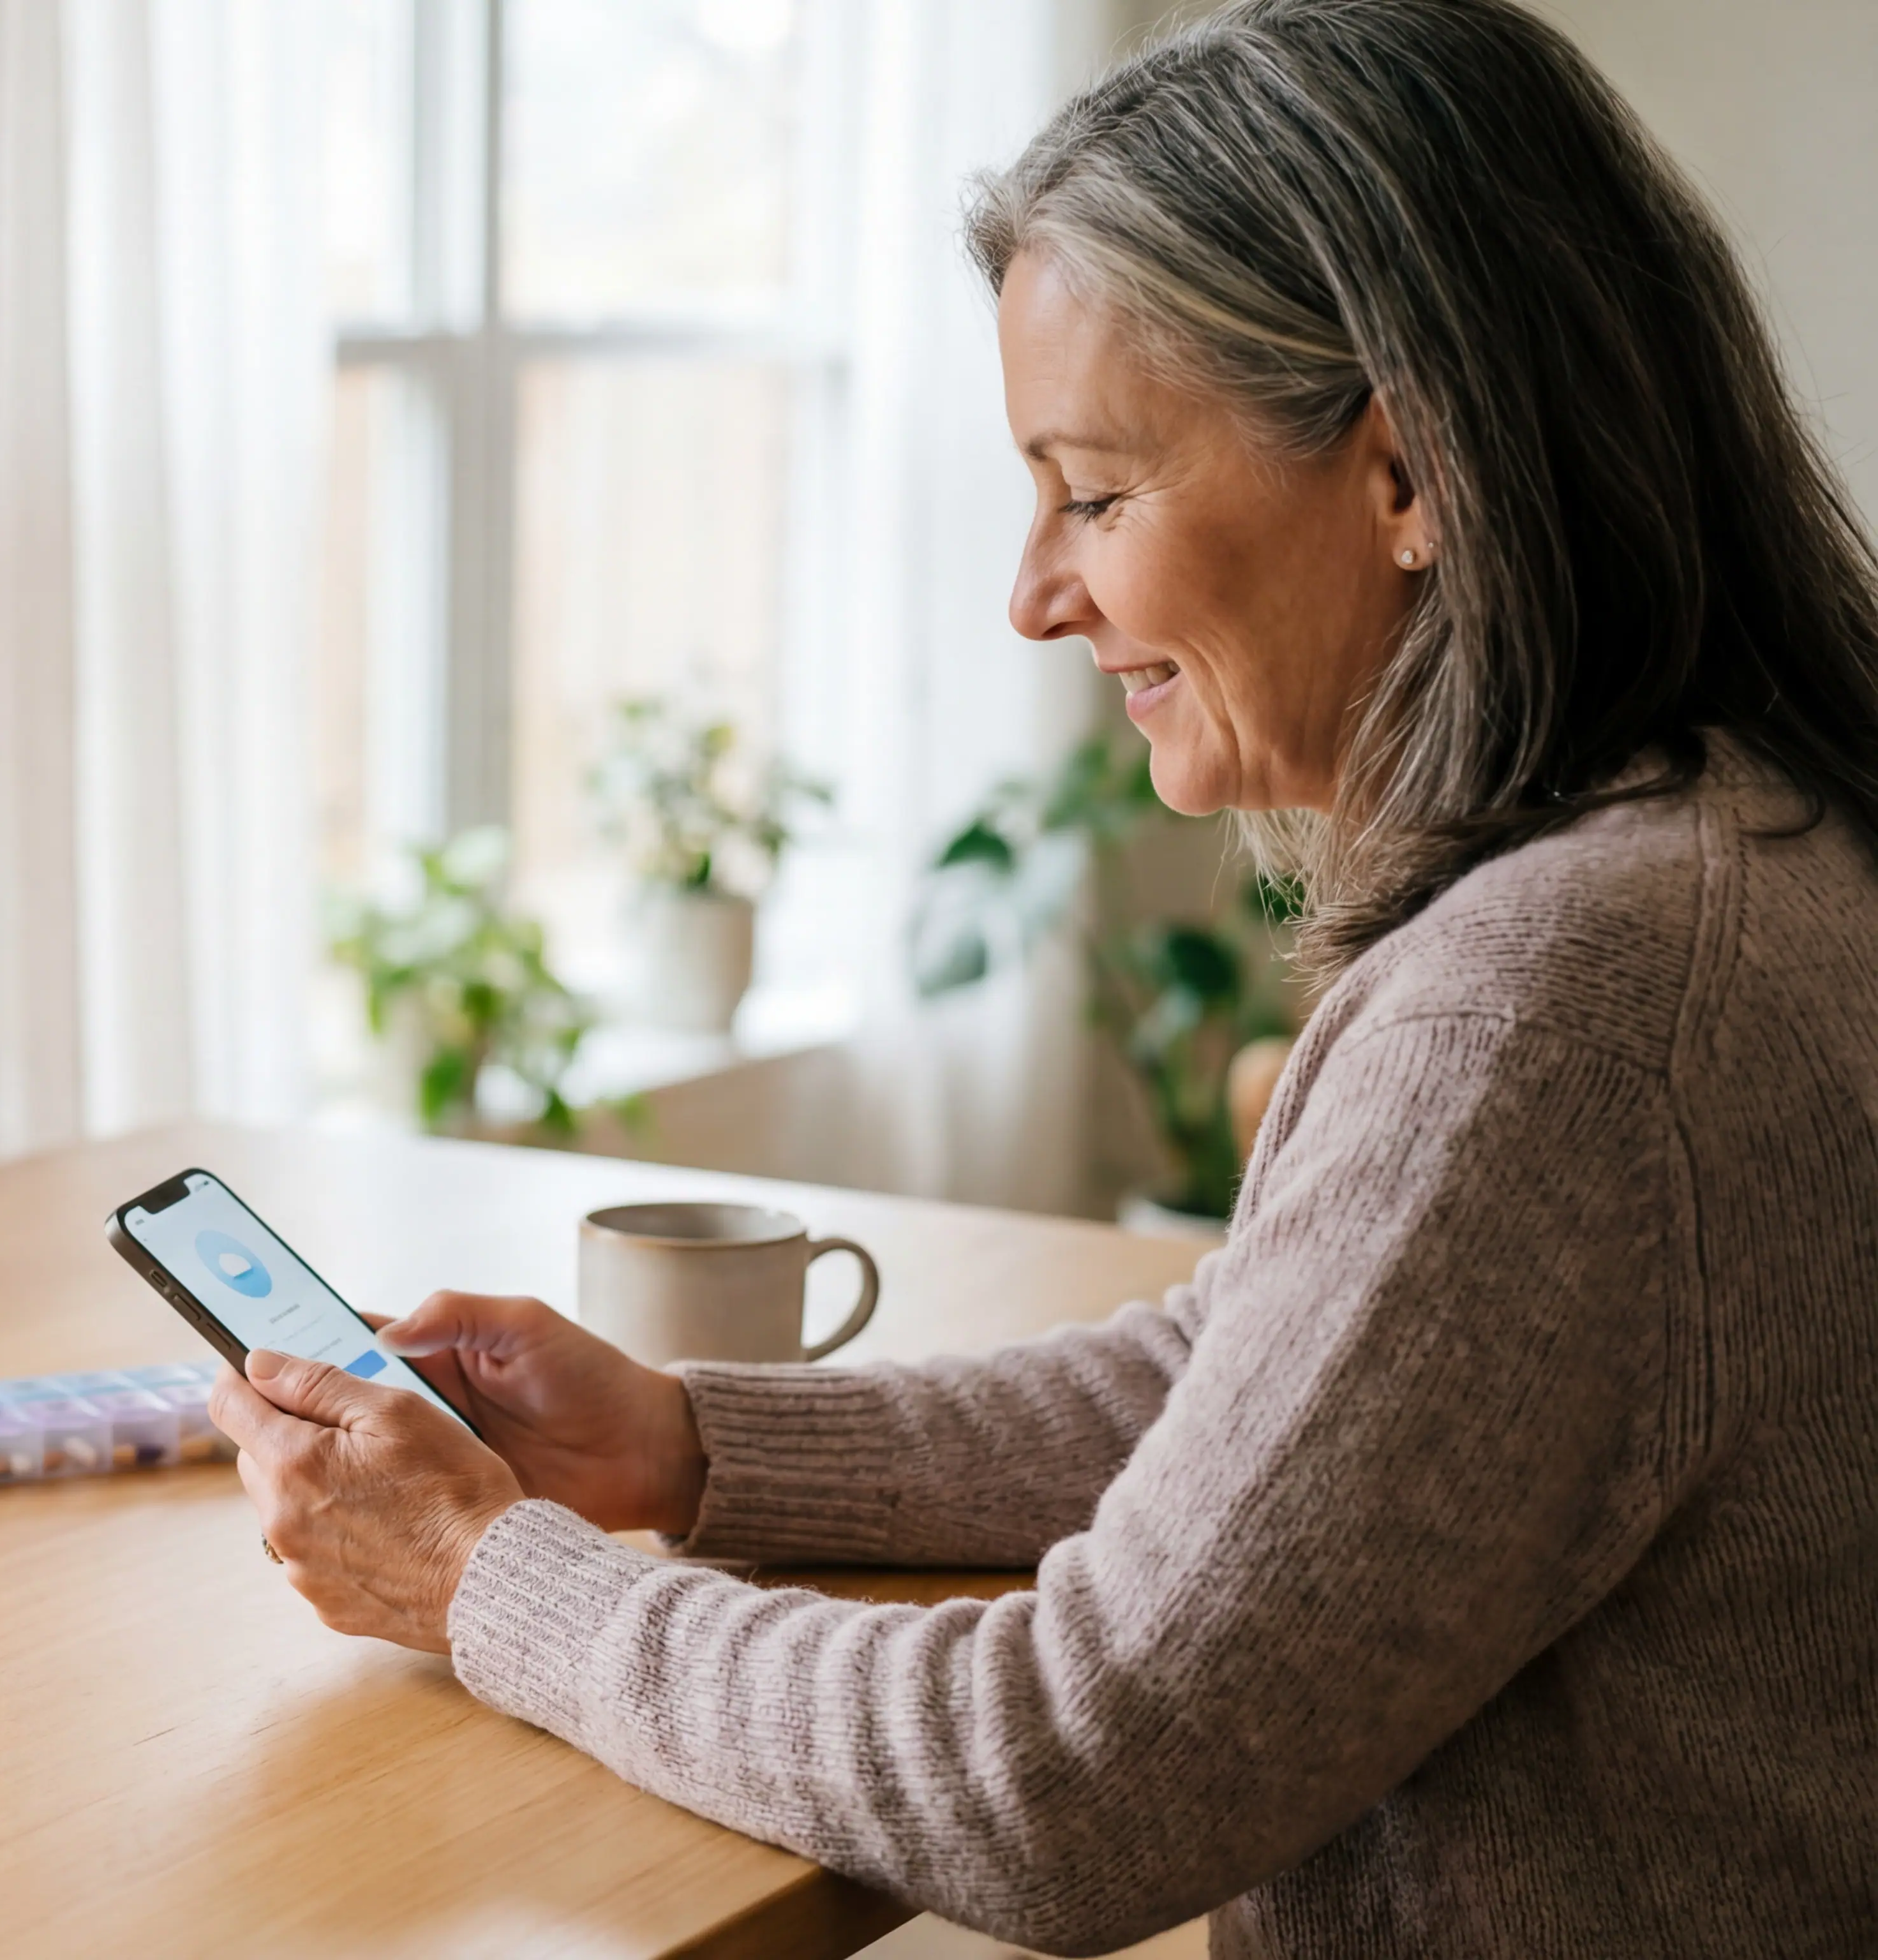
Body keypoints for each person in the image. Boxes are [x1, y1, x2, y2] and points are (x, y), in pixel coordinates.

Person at [206, 2, 1878, 1953]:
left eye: (1092, 490)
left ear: (1412, 470)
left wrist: (491, 1575)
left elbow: (1066, 1775)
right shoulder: (1745, 842)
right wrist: (689, 1443)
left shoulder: (1560, 1007)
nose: (1033, 594)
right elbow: (1286, 1381)